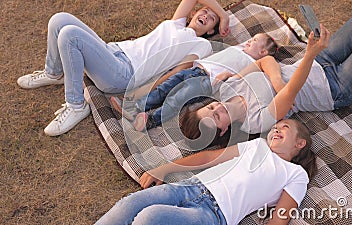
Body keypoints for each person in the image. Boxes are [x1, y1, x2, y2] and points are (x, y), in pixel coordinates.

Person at [182, 2, 352, 143]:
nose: (217, 107)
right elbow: (292, 91)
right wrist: (308, 54)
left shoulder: (225, 88)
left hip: (319, 60)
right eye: (216, 116)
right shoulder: (255, 122)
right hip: (335, 87)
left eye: (210, 107)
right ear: (222, 131)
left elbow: (264, 61)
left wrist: (277, 82)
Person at [16, 0, 230, 136]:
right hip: (114, 51)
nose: (206, 16)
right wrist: (221, 12)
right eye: (204, 11)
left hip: (123, 73)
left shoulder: (201, 45)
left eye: (212, 19)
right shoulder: (176, 23)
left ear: (212, 30)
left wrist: (141, 94)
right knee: (59, 20)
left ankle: (76, 105)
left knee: (69, 35)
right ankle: (55, 72)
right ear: (194, 13)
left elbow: (176, 73)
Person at [94, 118, 317, 225]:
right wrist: (164, 169)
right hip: (188, 187)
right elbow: (211, 157)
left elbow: (280, 217)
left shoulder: (296, 175)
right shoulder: (256, 145)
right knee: (128, 205)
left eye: (285, 128)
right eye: (275, 127)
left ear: (300, 143)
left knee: (149, 218)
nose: (276, 129)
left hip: (214, 215)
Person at [110, 33, 278, 131]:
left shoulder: (251, 62)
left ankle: (152, 120)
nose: (250, 40)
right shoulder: (239, 49)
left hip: (206, 82)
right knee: (163, 89)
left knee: (177, 99)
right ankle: (136, 106)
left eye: (255, 40)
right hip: (194, 70)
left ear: (263, 51)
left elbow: (242, 78)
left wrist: (223, 78)